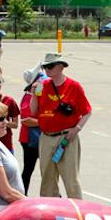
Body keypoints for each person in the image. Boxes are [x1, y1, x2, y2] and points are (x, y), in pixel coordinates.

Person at [34, 54, 92, 198]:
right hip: (47, 137)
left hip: (66, 137)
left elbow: (87, 111)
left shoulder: (74, 86)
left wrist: (77, 129)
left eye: (50, 66)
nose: (47, 70)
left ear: (60, 67)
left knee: (71, 180)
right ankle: (50, 213)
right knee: (47, 180)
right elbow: (34, 110)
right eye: (45, 67)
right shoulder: (43, 85)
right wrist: (34, 94)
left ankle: (77, 214)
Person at [17, 67, 43, 189]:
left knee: (47, 170)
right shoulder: (28, 97)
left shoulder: (39, 96)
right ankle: (22, 193)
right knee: (28, 169)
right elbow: (26, 120)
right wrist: (45, 123)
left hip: (39, 139)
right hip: (29, 140)